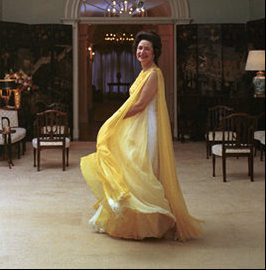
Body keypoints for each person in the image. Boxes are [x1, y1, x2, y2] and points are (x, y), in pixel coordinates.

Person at [80, 30, 203, 241]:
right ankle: (131, 218)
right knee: (127, 165)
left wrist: (114, 117)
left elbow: (140, 105)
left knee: (143, 168)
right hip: (135, 125)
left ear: (155, 52)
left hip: (147, 127)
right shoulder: (144, 72)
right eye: (139, 48)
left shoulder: (154, 74)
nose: (142, 51)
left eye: (147, 48)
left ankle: (154, 223)